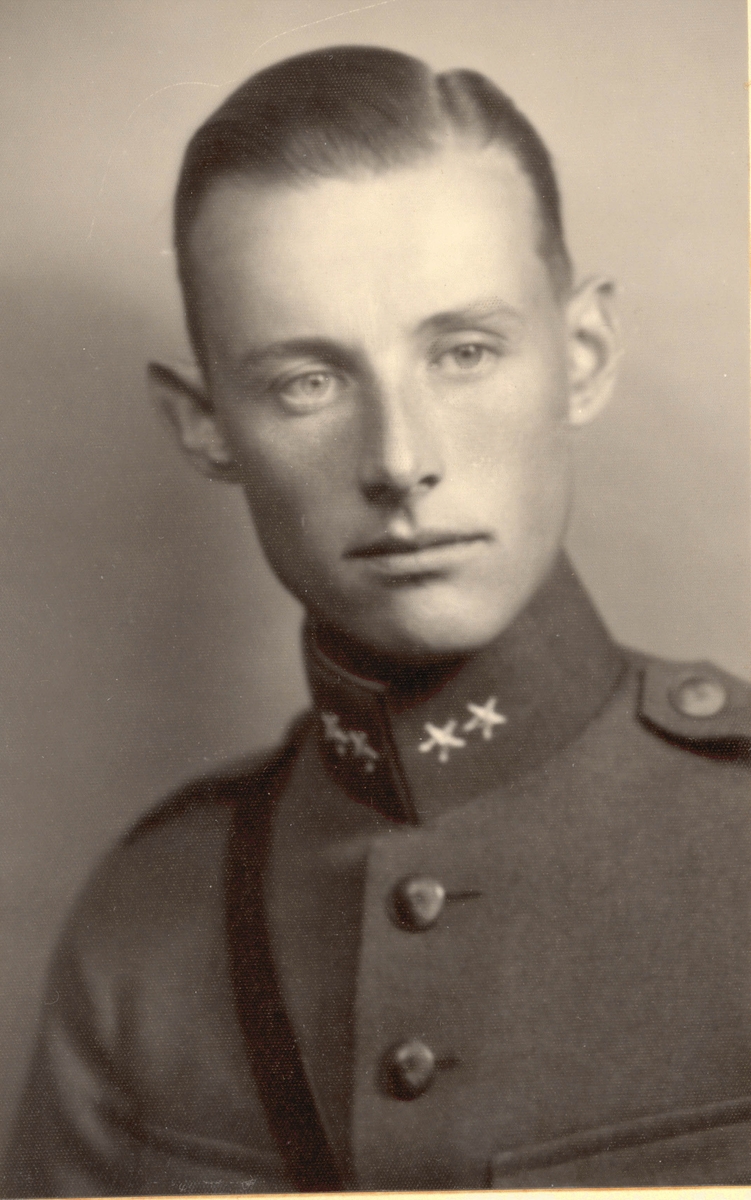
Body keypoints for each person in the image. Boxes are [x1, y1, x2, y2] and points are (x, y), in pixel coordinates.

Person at [2, 45, 749, 1196]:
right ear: (206, 426)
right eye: (307, 382)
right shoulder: (145, 922)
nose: (399, 460)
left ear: (582, 358)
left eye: (464, 353)